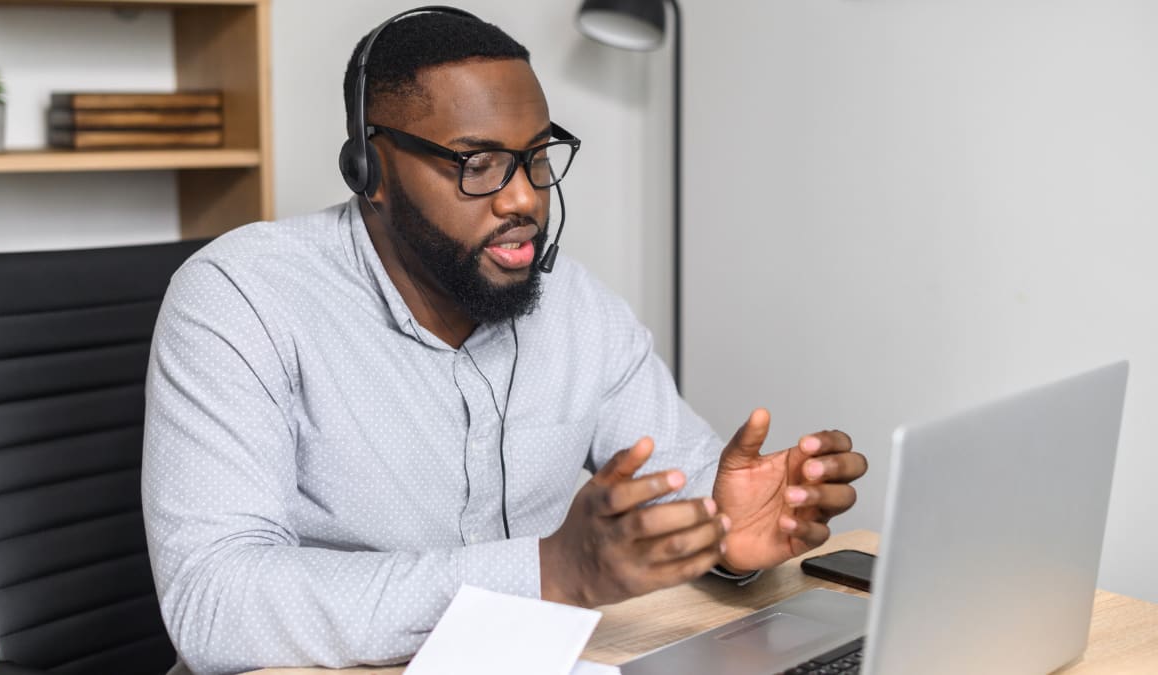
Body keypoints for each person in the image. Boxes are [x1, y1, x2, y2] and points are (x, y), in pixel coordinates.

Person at [142, 8, 867, 675]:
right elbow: (213, 600)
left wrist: (724, 534)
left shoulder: (575, 305)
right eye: (476, 163)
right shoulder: (241, 298)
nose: (525, 197)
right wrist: (548, 572)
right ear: (371, 168)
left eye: (538, 155)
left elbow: (684, 475)